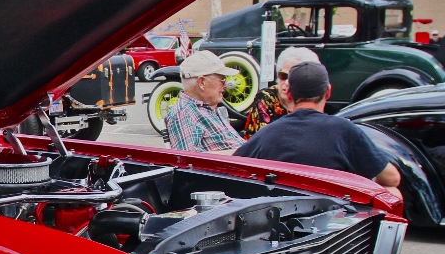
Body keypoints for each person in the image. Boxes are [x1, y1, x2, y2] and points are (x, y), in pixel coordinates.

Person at [235, 61, 402, 200]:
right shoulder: (345, 130)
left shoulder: (268, 133)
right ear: (328, 92)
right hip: (333, 221)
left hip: (278, 221)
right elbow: (392, 178)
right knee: (394, 194)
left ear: (290, 94)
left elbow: (234, 169)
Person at [164, 51, 244, 154]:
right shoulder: (184, 112)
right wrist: (241, 153)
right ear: (202, 82)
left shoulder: (208, 108)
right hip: (241, 164)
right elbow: (188, 160)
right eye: (222, 80)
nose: (225, 85)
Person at [241, 46, 320, 136]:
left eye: (293, 78)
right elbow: (265, 139)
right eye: (283, 75)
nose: (286, 82)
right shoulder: (266, 97)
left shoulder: (311, 97)